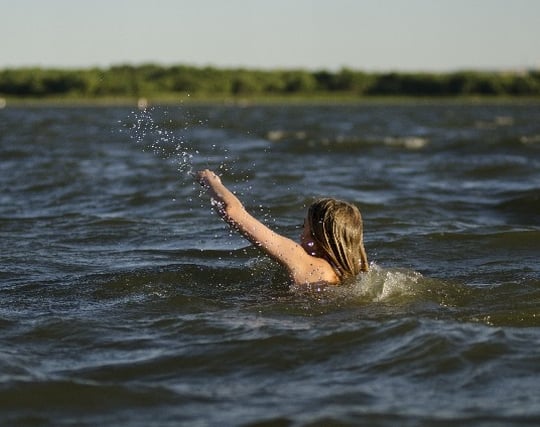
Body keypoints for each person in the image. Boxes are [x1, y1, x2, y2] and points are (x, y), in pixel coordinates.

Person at [197, 169, 369, 286]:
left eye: (305, 227)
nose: (301, 235)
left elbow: (232, 212)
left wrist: (210, 181)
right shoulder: (350, 273)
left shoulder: (302, 260)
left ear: (319, 236)